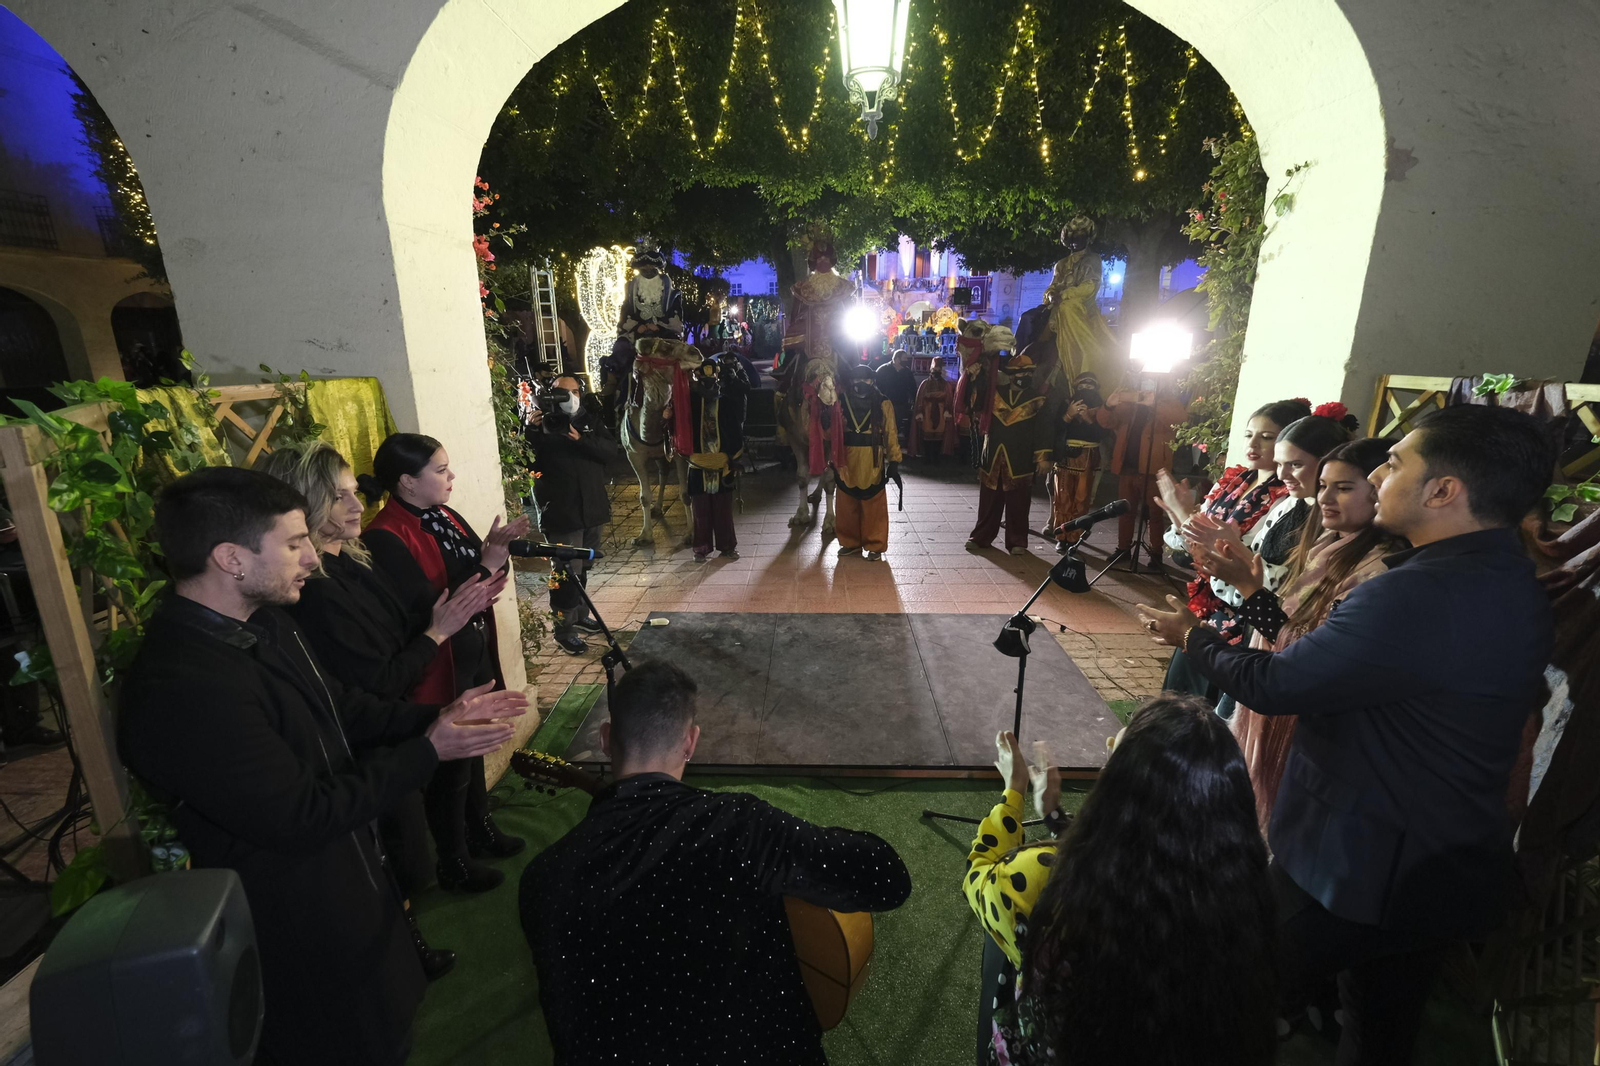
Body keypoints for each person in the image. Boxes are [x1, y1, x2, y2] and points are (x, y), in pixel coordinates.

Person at [1137, 404, 1558, 1066]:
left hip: (1359, 865)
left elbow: (1281, 683)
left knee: (1214, 997)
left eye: (1392, 465)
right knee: (1379, 1031)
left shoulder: (1415, 591)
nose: (1377, 475)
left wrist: (1193, 636)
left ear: (1444, 490)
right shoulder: (1507, 576)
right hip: (1438, 864)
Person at [118, 467, 525, 1066]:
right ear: (231, 558)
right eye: (292, 543)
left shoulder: (266, 624)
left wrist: (438, 716)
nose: (312, 557)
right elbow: (299, 817)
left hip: (355, 893)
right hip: (300, 933)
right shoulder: (181, 685)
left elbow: (344, 708)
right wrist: (429, 750)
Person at [520, 660, 911, 1065]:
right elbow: (887, 878)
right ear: (691, 742)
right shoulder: (738, 826)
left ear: (604, 739)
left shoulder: (542, 878)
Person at [261, 442, 506, 978]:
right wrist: (438, 630)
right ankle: (402, 949)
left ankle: (409, 939)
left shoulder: (352, 560)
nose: (355, 506)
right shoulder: (315, 591)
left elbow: (397, 638)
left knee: (404, 851)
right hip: (367, 740)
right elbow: (375, 677)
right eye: (338, 496)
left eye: (354, 492)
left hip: (396, 721)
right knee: (396, 855)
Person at [963, 698, 1277, 1066]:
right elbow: (1151, 853)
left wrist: (1012, 791)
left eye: (1118, 748)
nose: (1108, 747)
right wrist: (1054, 817)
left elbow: (980, 876)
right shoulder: (1244, 899)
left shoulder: (1043, 881)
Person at [1189, 436, 1404, 835]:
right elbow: (1294, 625)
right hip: (1277, 690)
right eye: (1324, 485)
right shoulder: (1328, 546)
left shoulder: (1378, 570)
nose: (1326, 497)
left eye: (1343, 487)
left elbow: (1307, 650)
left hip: (1307, 716)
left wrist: (1249, 591)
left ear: (1380, 489)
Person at [362, 434, 531, 893]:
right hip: (436, 660)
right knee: (450, 762)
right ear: (406, 483)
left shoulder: (446, 516)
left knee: (472, 749)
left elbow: (488, 573)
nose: (451, 477)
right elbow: (430, 606)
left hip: (470, 649)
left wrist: (494, 556)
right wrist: (486, 564)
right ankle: (452, 860)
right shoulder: (384, 536)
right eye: (440, 470)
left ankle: (481, 829)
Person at [1153, 398, 1309, 697]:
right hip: (1207, 606)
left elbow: (1233, 557)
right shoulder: (1235, 480)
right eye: (1249, 434)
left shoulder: (1288, 499)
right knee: (1179, 697)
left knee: (1211, 703)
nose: (1255, 444)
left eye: (1267, 437)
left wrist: (1185, 515)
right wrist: (1179, 515)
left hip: (1244, 613)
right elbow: (1191, 549)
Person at [528, 374, 616, 652]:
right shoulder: (543, 424)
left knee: (584, 567)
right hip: (562, 512)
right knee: (565, 573)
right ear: (551, 396)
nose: (571, 398)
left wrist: (580, 439)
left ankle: (579, 616)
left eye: (575, 391)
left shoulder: (590, 420)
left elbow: (610, 451)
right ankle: (563, 630)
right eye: (563, 393)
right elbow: (528, 460)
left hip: (592, 510)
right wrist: (531, 431)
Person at [966, 352, 1057, 556]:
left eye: (1028, 373)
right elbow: (974, 403)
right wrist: (974, 377)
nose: (1023, 376)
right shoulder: (994, 394)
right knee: (988, 501)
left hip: (1020, 458)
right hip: (992, 456)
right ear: (1010, 374)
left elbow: (1044, 430)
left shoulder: (1038, 400)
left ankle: (1017, 540)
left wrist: (1043, 457)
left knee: (1018, 503)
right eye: (1019, 372)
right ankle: (981, 536)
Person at [1092, 378, 1189, 565]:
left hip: (1154, 470)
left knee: (1155, 513)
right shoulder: (1129, 404)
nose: (1147, 386)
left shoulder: (1168, 401)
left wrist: (1154, 403)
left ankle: (1156, 554)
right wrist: (1108, 405)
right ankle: (1123, 549)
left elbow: (1179, 420)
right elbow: (1105, 422)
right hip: (1128, 467)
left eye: (1152, 381)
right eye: (1145, 381)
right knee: (1125, 511)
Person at [832, 361, 903, 560]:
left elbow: (891, 433)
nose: (860, 383)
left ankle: (875, 545)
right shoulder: (840, 401)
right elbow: (833, 432)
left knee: (874, 505)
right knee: (847, 503)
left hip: (873, 460)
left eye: (865, 379)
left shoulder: (883, 402)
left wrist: (894, 460)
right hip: (847, 460)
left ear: (872, 381)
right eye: (856, 379)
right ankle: (850, 542)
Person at [683, 350, 750, 561]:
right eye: (704, 378)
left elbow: (735, 432)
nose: (709, 382)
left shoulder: (727, 402)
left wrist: (731, 457)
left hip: (721, 464)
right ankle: (701, 548)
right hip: (698, 464)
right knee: (700, 510)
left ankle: (727, 546)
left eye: (712, 377)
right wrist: (668, 416)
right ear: (698, 377)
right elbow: (681, 429)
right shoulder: (689, 404)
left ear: (717, 376)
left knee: (723, 510)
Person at [1047, 372, 1105, 550]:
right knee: (1062, 497)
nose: (1085, 391)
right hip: (1065, 455)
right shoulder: (1066, 404)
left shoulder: (1101, 409)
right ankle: (1061, 536)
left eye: (1089, 387)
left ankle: (1074, 538)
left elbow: (1103, 435)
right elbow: (1055, 428)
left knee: (1081, 499)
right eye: (1081, 387)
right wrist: (1068, 415)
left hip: (1087, 456)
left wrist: (1088, 418)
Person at [617, 249, 684, 341]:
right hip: (637, 335)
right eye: (644, 269)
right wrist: (637, 327)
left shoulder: (672, 295)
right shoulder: (631, 291)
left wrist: (658, 327)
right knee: (621, 346)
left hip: (664, 336)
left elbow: (675, 318)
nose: (648, 272)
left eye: (652, 269)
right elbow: (625, 315)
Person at [910, 354, 958, 462]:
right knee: (926, 434)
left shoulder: (946, 385)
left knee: (939, 435)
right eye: (934, 369)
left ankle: (936, 457)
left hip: (941, 412)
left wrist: (947, 410)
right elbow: (920, 398)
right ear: (931, 369)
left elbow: (949, 399)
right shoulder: (925, 384)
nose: (936, 371)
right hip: (927, 411)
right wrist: (919, 411)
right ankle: (927, 456)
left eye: (938, 369)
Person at [873, 347, 916, 443]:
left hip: (901, 403)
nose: (906, 361)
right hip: (886, 402)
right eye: (904, 358)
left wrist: (913, 400)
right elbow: (876, 385)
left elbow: (912, 387)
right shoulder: (883, 370)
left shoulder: (907, 372)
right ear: (897, 359)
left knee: (897, 424)